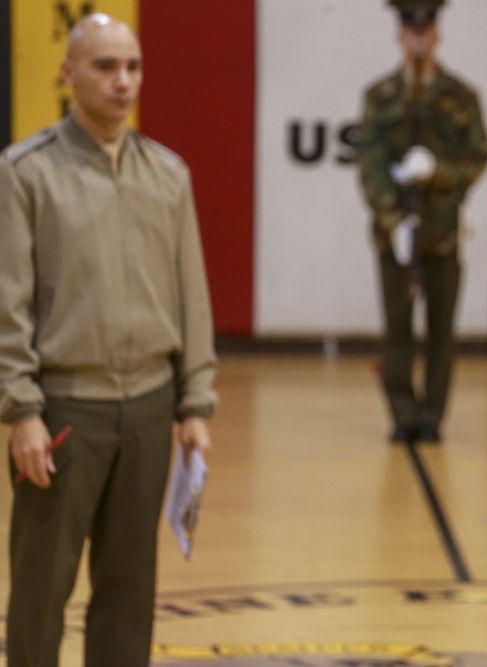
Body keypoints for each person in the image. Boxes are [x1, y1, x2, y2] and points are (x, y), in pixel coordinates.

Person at [0, 13, 217, 665]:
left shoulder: (168, 174)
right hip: (66, 411)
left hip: (149, 408)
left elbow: (192, 294)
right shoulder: (24, 172)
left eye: (133, 67)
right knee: (42, 590)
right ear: (69, 74)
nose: (123, 82)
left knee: (128, 591)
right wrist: (22, 410)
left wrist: (195, 403)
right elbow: (7, 303)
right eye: (105, 67)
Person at [355, 0, 487, 445]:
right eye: (410, 27)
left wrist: (438, 173)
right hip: (395, 235)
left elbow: (477, 158)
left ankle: (432, 414)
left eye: (426, 27)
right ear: (399, 34)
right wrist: (390, 217)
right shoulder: (380, 97)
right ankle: (402, 412)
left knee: (440, 330)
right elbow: (369, 163)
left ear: (436, 33)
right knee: (396, 328)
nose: (418, 35)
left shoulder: (460, 96)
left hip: (442, 230)